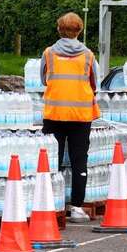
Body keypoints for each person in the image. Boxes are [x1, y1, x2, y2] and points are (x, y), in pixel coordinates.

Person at [39, 12, 100, 223]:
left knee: (52, 160)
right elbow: (95, 84)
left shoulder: (48, 53)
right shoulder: (89, 56)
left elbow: (43, 79)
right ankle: (76, 208)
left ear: (58, 29)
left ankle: (50, 206)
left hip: (54, 113)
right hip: (80, 115)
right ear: (79, 31)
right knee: (78, 161)